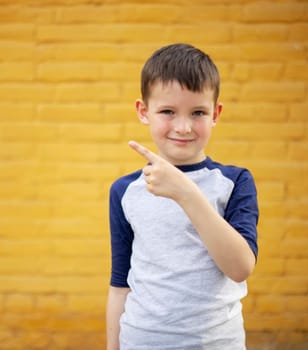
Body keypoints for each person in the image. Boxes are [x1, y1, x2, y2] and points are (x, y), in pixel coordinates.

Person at [106, 43, 259, 349]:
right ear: (143, 112)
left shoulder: (233, 182)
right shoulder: (124, 191)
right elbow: (120, 283)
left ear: (215, 114)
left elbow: (241, 267)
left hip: (216, 343)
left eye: (198, 112)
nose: (184, 126)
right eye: (167, 111)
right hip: (142, 341)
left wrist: (186, 192)